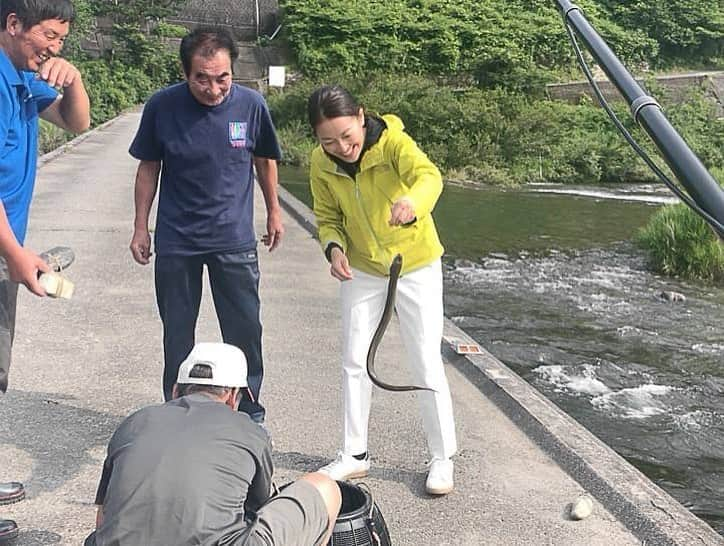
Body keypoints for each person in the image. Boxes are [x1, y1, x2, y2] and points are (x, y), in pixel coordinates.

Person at [128, 26, 284, 423]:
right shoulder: (163, 106)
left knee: (245, 328)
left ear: (233, 71)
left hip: (233, 238)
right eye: (202, 78)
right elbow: (149, 168)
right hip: (178, 239)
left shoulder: (251, 105)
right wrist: (140, 227)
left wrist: (274, 212)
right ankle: (177, 409)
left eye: (223, 77)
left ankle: (248, 411)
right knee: (177, 331)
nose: (214, 88)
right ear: (185, 72)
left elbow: (265, 160)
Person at [307, 85, 457, 495]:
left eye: (347, 135)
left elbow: (428, 176)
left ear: (361, 116)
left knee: (425, 359)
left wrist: (412, 201)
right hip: (363, 268)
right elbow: (326, 216)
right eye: (328, 140)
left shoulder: (392, 143)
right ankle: (354, 455)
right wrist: (333, 248)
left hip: (415, 263)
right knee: (354, 359)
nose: (341, 147)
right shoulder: (321, 163)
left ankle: (441, 458)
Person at [86, 342, 341, 546]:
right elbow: (260, 506)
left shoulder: (136, 421)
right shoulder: (250, 431)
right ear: (232, 397)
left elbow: (103, 518)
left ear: (175, 391)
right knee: (325, 487)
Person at [0, 0, 90, 539]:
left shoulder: (21, 79)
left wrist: (73, 79)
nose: (55, 47)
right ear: (13, 24)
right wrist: (17, 256)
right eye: (50, 36)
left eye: (62, 40)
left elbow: (76, 122)